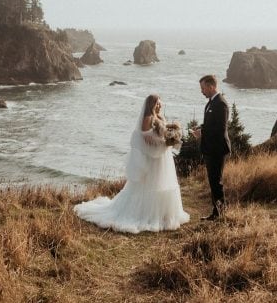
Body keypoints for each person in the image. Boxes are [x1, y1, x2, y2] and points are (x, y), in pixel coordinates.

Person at [74, 94, 190, 233]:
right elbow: (145, 139)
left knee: (163, 183)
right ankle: (146, 214)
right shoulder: (147, 119)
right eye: (157, 103)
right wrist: (165, 143)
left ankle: (164, 214)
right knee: (151, 185)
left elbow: (161, 134)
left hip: (163, 157)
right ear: (150, 105)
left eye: (160, 103)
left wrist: (172, 137)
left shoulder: (160, 117)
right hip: (153, 158)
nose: (159, 105)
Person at [193, 74, 230, 220]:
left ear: (211, 86)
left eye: (203, 88)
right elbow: (210, 124)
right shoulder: (210, 103)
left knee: (217, 182)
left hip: (218, 149)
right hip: (210, 148)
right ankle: (216, 212)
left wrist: (202, 132)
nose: (202, 91)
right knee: (213, 181)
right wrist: (200, 128)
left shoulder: (221, 103)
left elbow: (220, 128)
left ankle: (220, 214)